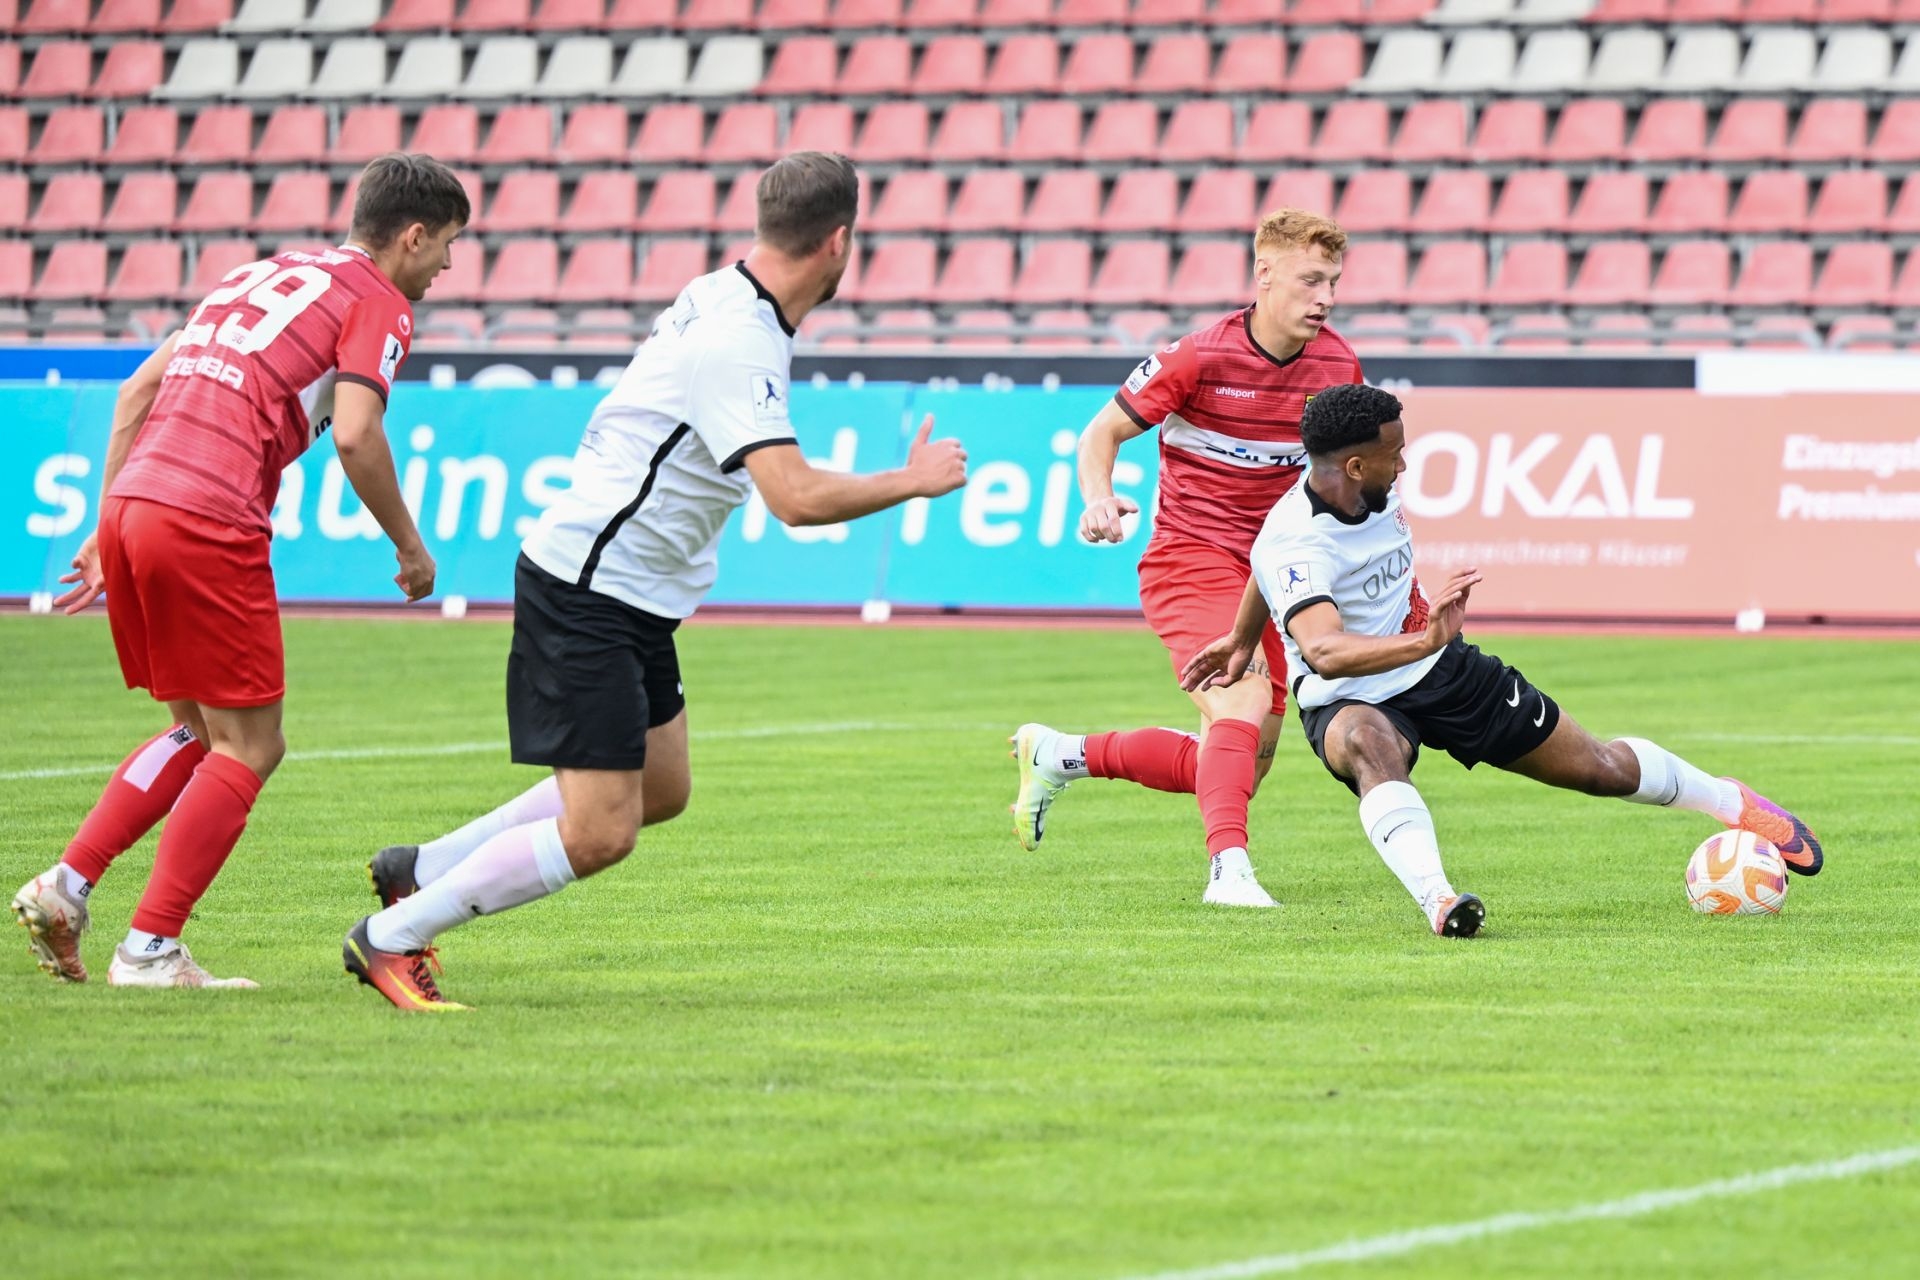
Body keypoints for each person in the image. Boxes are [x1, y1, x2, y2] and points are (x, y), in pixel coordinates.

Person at [342, 151, 968, 1011]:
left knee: (661, 787)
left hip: (632, 592)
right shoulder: (739, 337)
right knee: (602, 831)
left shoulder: (727, 296)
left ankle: (422, 869)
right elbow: (792, 497)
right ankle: (390, 936)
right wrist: (912, 480)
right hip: (589, 587)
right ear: (839, 242)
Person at [10, 153, 469, 987]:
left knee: (200, 733)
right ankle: (149, 949)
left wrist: (105, 522)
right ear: (412, 236)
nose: (447, 265)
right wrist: (409, 545)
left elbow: (135, 393)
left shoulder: (257, 274)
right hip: (208, 512)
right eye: (446, 244)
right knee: (252, 744)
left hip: (136, 503)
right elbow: (357, 433)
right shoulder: (379, 302)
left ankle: (66, 887)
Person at [1179, 383, 1824, 936]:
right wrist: (1423, 640)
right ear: (1352, 465)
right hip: (1348, 693)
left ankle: (1729, 801)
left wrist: (1241, 637)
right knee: (1368, 744)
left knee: (1600, 768)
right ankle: (1440, 900)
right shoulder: (1297, 538)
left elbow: (1264, 572)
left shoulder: (1362, 493)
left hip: (1444, 672)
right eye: (1393, 453)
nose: (1403, 464)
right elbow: (1323, 651)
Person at [1008, 209, 1363, 909]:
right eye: (1311, 281)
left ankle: (1059, 754)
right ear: (1264, 274)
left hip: (1271, 577)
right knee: (1241, 695)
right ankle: (1229, 872)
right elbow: (1100, 434)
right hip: (1190, 555)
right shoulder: (1197, 358)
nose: (1325, 298)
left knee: (1234, 767)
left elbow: (1344, 477)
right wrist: (1098, 499)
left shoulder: (1339, 366)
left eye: (1334, 283)